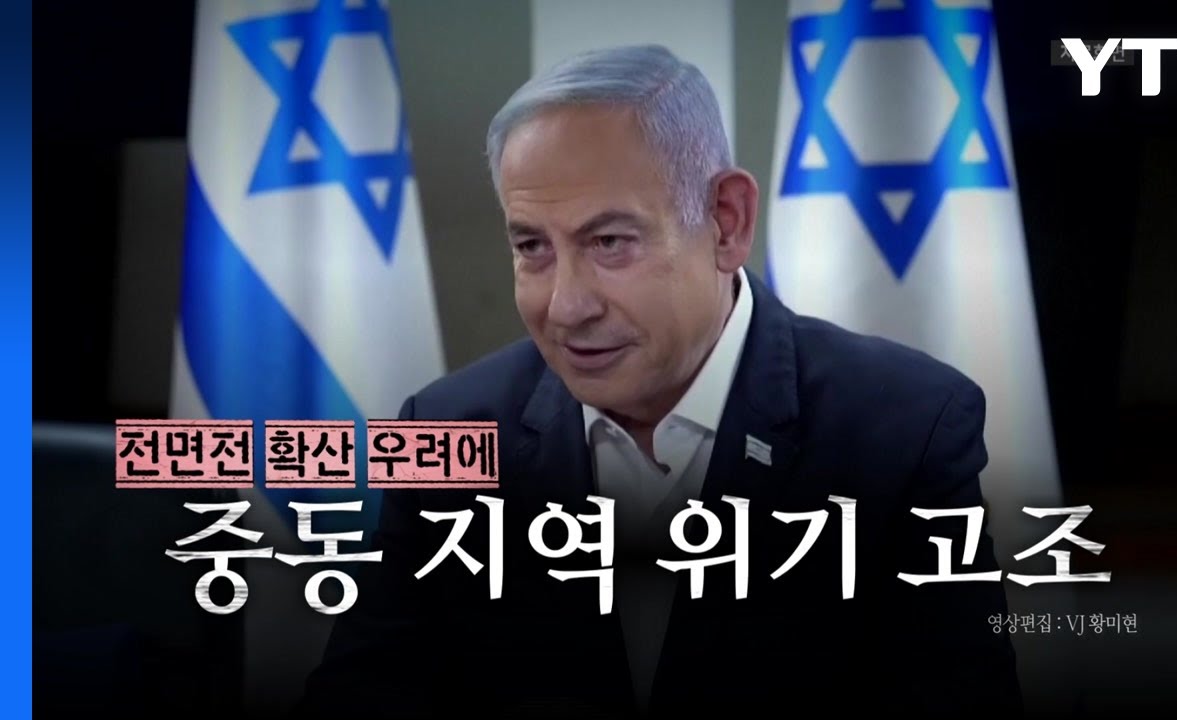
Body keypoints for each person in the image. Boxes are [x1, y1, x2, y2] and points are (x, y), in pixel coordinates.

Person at [295, 44, 1021, 718]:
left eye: (609, 241)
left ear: (726, 222)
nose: (565, 306)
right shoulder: (443, 434)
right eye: (532, 247)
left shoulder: (907, 430)